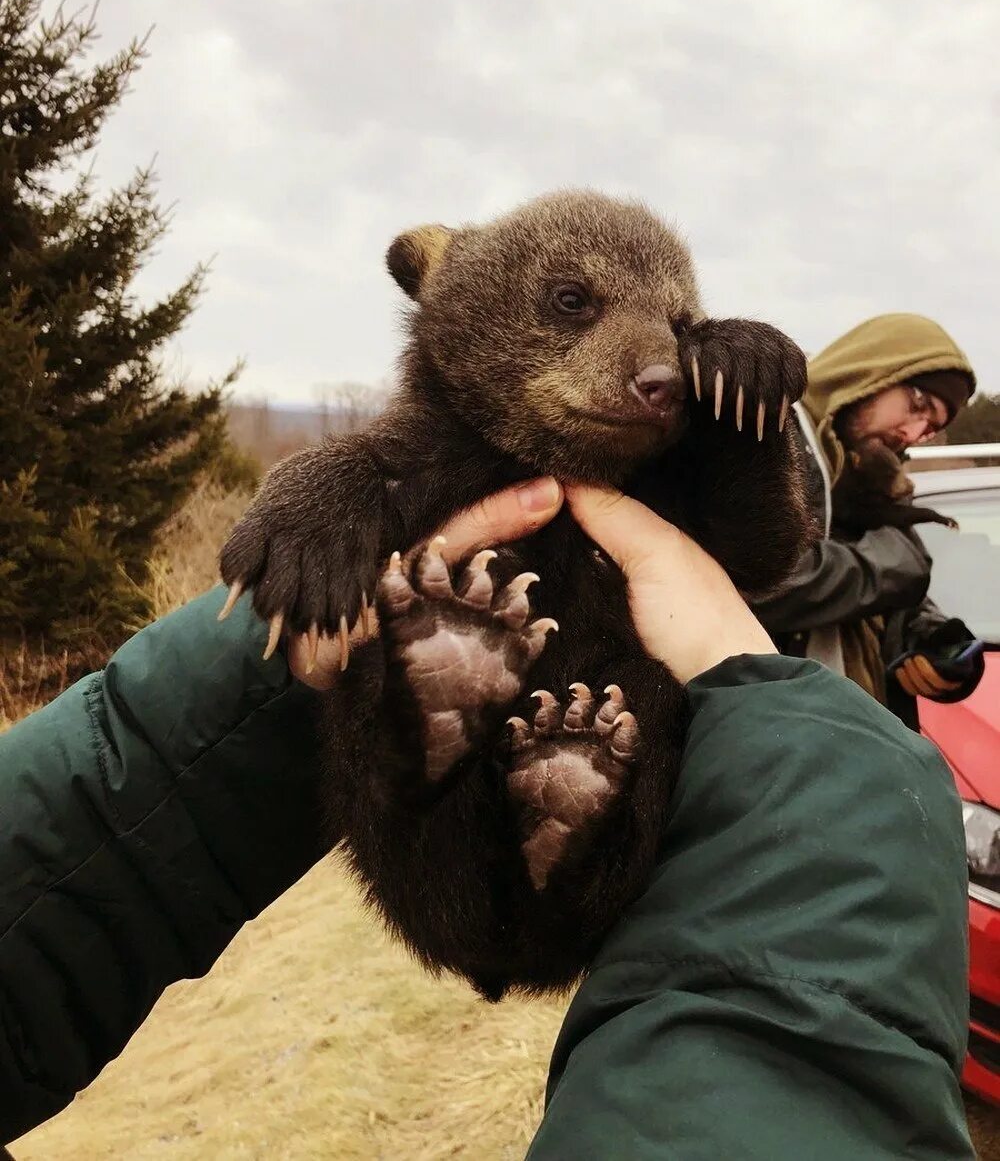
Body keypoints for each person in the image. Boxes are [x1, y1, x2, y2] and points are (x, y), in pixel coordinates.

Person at [0, 478, 973, 1158]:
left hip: (545, 758)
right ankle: (514, 782)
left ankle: (506, 778)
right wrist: (813, 761)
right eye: (917, 395)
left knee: (536, 766)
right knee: (554, 767)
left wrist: (278, 635)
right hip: (639, 743)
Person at [754, 313, 985, 728]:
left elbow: (894, 594)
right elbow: (750, 581)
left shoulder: (872, 473)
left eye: (930, 428)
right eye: (918, 405)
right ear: (869, 372)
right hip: (767, 744)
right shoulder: (762, 435)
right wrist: (883, 569)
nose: (913, 432)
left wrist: (930, 640)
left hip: (860, 746)